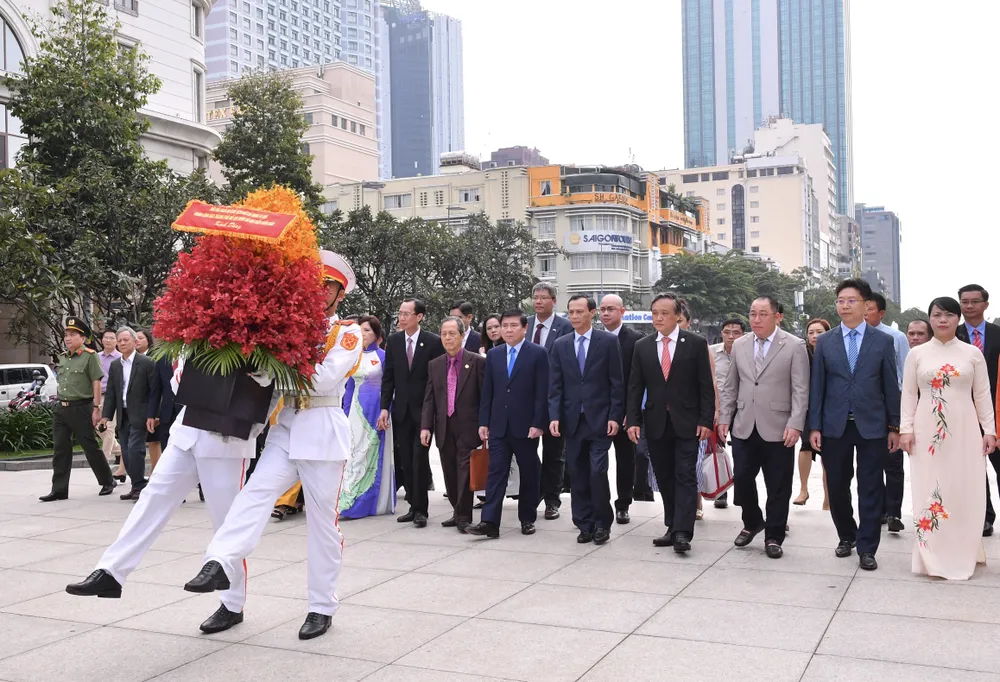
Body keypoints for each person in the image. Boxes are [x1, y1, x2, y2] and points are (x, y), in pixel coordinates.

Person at [185, 251, 363, 640]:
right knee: (254, 495)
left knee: (322, 526)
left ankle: (321, 606)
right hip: (286, 428)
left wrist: (273, 370)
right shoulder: (286, 329)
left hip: (322, 433)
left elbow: (321, 381)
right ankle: (218, 560)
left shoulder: (347, 333)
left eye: (327, 288)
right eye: (313, 287)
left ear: (339, 295)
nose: (318, 294)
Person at [65, 353, 274, 634]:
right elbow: (177, 382)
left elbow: (271, 384)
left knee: (226, 524)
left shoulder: (259, 335)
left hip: (228, 438)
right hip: (187, 433)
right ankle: (111, 571)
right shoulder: (200, 332)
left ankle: (233, 604)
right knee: (151, 500)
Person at [899, 296, 996, 580]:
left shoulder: (972, 354)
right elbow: (908, 394)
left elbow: (982, 394)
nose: (943, 320)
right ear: (930, 319)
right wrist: (906, 429)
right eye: (937, 315)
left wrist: (988, 429)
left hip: (965, 429)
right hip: (926, 430)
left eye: (949, 315)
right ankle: (931, 555)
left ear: (958, 319)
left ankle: (965, 549)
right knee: (929, 487)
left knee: (964, 488)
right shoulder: (916, 354)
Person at [808, 278, 900, 571]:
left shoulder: (882, 341)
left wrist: (894, 427)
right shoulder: (825, 341)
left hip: (872, 425)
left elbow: (890, 386)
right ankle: (846, 536)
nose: (845, 306)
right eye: (840, 301)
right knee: (836, 485)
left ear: (865, 305)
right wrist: (814, 426)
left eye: (851, 300)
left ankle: (868, 546)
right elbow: (817, 387)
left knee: (871, 486)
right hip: (835, 426)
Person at [718, 297, 810, 559]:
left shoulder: (794, 345)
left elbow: (801, 389)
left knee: (778, 485)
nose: (756, 320)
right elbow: (731, 385)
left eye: (762, 314)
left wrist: (796, 423)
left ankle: (774, 535)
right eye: (753, 314)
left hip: (780, 427)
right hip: (744, 424)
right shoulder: (741, 344)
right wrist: (725, 418)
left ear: (776, 317)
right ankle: (753, 521)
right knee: (743, 478)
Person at [626, 293, 714, 554]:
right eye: (655, 313)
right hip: (655, 422)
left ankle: (683, 532)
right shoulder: (642, 346)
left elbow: (705, 387)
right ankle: (671, 526)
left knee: (685, 475)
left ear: (678, 315)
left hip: (687, 422)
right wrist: (633, 420)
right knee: (663, 476)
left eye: (665, 313)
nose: (659, 317)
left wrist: (706, 419)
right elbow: (634, 387)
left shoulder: (695, 343)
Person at [466, 310, 549, 538]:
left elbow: (543, 392)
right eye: (505, 325)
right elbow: (488, 391)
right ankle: (490, 522)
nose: (509, 330)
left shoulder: (538, 354)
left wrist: (538, 422)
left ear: (524, 329)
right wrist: (484, 421)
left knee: (529, 473)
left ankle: (527, 518)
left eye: (514, 325)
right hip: (499, 425)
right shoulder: (494, 355)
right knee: (495, 473)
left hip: (526, 426)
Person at [549, 295, 624, 544]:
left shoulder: (608, 342)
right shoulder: (560, 344)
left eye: (580, 311)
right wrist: (554, 416)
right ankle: (584, 523)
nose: (574, 316)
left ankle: (603, 523)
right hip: (572, 421)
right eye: (570, 312)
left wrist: (616, 415)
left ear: (591, 313)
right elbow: (555, 386)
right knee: (577, 474)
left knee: (597, 472)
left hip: (600, 420)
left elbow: (616, 383)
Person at [378, 298, 444, 527]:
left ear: (420, 316)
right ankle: (413, 506)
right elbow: (388, 378)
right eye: (401, 313)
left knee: (419, 459)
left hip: (424, 412)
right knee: (405, 461)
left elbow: (437, 380)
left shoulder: (433, 342)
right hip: (401, 412)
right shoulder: (394, 341)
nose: (402, 317)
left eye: (407, 314)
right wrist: (384, 407)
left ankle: (421, 510)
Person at [40, 318, 118, 502]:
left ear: (82, 338)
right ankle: (59, 489)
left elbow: (96, 382)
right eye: (66, 335)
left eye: (73, 335)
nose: (68, 338)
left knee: (90, 447)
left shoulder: (90, 356)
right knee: (60, 449)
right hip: (62, 408)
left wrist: (97, 408)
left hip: (82, 407)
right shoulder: (63, 357)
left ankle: (107, 480)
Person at [421, 316, 486, 531]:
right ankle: (457, 511)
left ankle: (464, 516)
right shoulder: (435, 365)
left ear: (462, 335)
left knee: (465, 470)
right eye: (444, 334)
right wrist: (425, 427)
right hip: (444, 426)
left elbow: (485, 396)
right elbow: (430, 398)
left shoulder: (476, 361)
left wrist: (485, 424)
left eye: (452, 334)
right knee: (449, 471)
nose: (447, 338)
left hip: (468, 425)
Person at [954, 284, 1000, 537]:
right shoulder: (953, 335)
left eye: (974, 301)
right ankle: (984, 517)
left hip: (996, 408)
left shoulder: (997, 334)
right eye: (964, 301)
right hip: (964, 411)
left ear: (986, 304)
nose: (969, 306)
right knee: (973, 468)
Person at [339, 315, 395, 518]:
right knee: (354, 454)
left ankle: (369, 503)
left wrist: (386, 409)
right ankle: (349, 501)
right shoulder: (352, 356)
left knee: (371, 455)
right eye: (361, 329)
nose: (363, 334)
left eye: (368, 330)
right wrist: (344, 415)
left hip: (376, 412)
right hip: (356, 410)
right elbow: (349, 387)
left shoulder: (383, 356)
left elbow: (389, 386)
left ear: (377, 335)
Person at [526, 282, 573, 520]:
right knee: (528, 452)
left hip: (556, 399)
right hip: (528, 400)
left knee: (555, 453)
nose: (538, 302)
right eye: (535, 297)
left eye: (544, 298)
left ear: (554, 301)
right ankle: (534, 494)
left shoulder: (565, 326)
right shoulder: (525, 324)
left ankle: (552, 500)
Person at [863, 293, 909, 533]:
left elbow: (905, 372)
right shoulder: (854, 338)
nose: (864, 312)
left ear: (881, 313)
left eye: (869, 309)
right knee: (871, 463)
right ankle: (878, 510)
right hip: (867, 411)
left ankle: (894, 513)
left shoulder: (896, 337)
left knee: (893, 463)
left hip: (891, 407)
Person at [599, 294, 643, 523]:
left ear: (622, 311)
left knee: (626, 461)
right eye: (602, 309)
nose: (605, 313)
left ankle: (623, 504)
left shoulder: (636, 340)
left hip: (626, 413)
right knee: (597, 462)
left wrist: (632, 412)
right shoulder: (593, 339)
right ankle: (599, 504)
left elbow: (638, 381)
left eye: (611, 309)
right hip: (598, 412)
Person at [101, 327, 157, 501]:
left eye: (126, 340)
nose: (122, 343)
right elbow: (111, 392)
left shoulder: (147, 362)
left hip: (141, 414)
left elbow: (155, 391)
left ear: (135, 341)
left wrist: (153, 414)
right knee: (125, 451)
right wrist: (106, 415)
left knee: (135, 450)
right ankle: (136, 485)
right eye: (120, 340)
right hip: (123, 414)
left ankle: (140, 485)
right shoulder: (116, 365)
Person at [708, 318, 746, 510]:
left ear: (743, 334)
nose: (731, 336)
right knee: (717, 452)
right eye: (727, 332)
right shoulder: (711, 352)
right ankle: (720, 492)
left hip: (742, 410)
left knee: (742, 454)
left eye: (736, 332)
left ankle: (741, 494)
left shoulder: (748, 352)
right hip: (717, 410)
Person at [795, 318, 831, 509]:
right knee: (806, 445)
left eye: (819, 332)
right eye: (811, 332)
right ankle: (803, 489)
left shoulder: (833, 351)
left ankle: (828, 496)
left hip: (829, 407)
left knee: (828, 450)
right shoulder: (801, 353)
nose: (815, 336)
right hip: (807, 406)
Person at [134, 329, 164, 471]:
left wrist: (155, 411)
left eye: (140, 338)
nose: (137, 340)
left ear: (148, 341)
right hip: (136, 405)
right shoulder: (130, 359)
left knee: (154, 439)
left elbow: (157, 387)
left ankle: (155, 470)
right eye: (135, 338)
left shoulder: (156, 357)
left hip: (152, 404)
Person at [97, 329, 123, 478]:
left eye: (111, 338)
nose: (108, 340)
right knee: (97, 426)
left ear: (116, 341)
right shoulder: (96, 357)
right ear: (102, 340)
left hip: (111, 396)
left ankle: (104, 462)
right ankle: (119, 450)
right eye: (105, 337)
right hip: (96, 395)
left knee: (108, 427)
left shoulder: (120, 357)